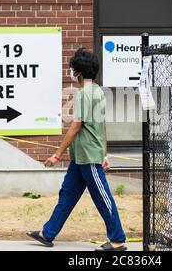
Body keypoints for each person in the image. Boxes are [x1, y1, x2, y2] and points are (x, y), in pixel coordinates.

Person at [27, 48, 127, 251]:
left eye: (73, 69)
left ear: (79, 72)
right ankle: (48, 233)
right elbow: (101, 126)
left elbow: (76, 125)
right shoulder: (98, 90)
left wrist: (57, 154)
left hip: (88, 157)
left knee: (102, 196)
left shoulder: (84, 94)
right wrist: (105, 154)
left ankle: (117, 239)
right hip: (81, 157)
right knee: (67, 194)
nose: (71, 73)